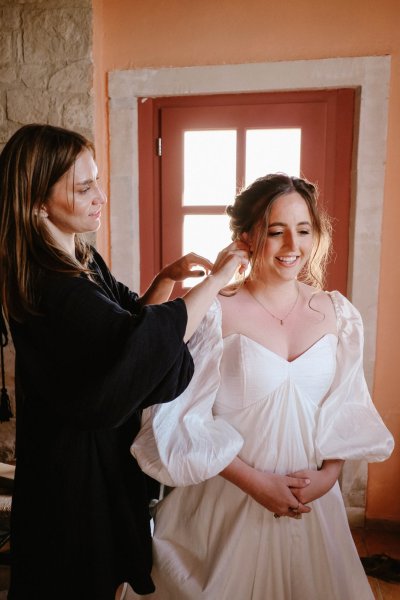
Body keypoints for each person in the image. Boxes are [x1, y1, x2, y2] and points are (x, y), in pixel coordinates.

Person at [0, 124, 251, 600]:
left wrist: (167, 279)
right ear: (36, 201)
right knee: (73, 579)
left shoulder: (80, 256)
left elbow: (130, 319)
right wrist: (216, 280)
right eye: (83, 187)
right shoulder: (50, 284)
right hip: (70, 470)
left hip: (97, 458)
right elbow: (136, 345)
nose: (100, 196)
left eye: (96, 181)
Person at [132, 173, 394, 600]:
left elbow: (346, 406)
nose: (293, 246)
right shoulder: (214, 311)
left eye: (304, 230)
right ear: (246, 237)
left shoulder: (338, 314)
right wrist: (255, 483)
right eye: (277, 232)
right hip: (224, 504)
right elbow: (182, 417)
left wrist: (329, 476)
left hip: (310, 505)